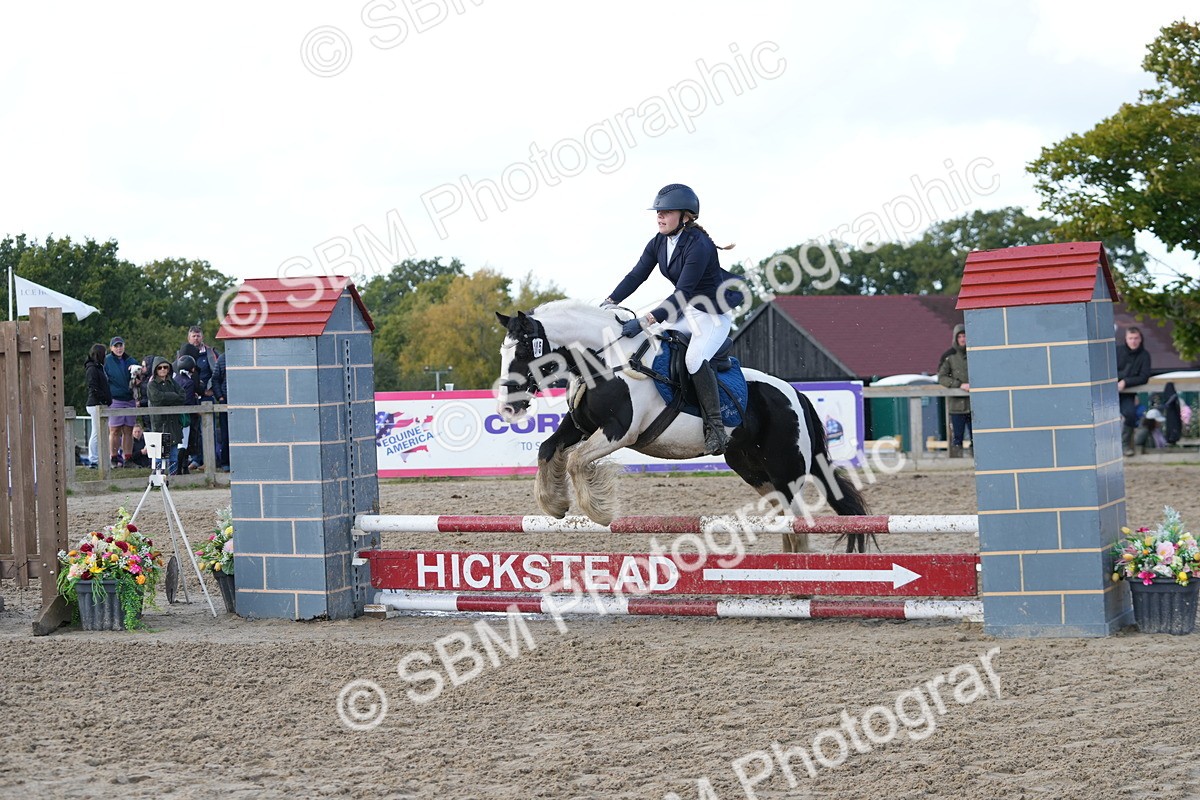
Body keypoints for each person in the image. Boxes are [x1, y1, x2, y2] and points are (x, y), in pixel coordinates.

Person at [602, 183, 744, 455]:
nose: (659, 216)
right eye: (658, 212)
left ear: (686, 216)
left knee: (693, 359)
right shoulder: (659, 242)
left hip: (710, 316)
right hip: (685, 312)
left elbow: (682, 294)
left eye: (666, 212)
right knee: (653, 346)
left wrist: (645, 320)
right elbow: (636, 275)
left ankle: (715, 429)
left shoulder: (699, 245)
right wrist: (609, 301)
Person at [104, 336, 140, 468]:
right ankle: (113, 458)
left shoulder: (131, 361)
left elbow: (139, 378)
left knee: (128, 430)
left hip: (130, 399)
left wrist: (138, 378)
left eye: (121, 345)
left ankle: (128, 459)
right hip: (115, 399)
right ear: (111, 348)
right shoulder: (107, 361)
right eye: (116, 346)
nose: (119, 348)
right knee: (114, 430)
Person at [1116, 326, 1151, 457]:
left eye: (1136, 338)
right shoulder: (1117, 351)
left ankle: (1125, 446)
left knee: (1130, 414)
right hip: (1110, 391)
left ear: (1141, 339)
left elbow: (1144, 377)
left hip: (1128, 393)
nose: (1133, 341)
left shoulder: (1144, 355)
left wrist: (1126, 382)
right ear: (1126, 339)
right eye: (1130, 338)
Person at [146, 357, 185, 475]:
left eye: (165, 367)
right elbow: (156, 398)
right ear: (155, 369)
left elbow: (183, 396)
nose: (163, 370)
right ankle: (158, 477)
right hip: (160, 423)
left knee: (173, 453)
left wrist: (167, 397)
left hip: (173, 423)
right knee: (160, 454)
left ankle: (173, 478)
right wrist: (173, 396)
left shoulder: (173, 383)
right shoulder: (152, 384)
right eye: (160, 367)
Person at [937, 323, 971, 458]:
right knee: (957, 436)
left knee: (977, 436)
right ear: (956, 338)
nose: (963, 339)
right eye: (960, 336)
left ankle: (977, 461)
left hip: (975, 405)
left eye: (965, 335)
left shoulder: (976, 352)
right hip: (956, 405)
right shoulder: (949, 356)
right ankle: (957, 461)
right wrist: (959, 385)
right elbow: (942, 377)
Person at [83, 343, 111, 468]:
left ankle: (99, 458)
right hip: (96, 404)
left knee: (101, 431)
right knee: (96, 432)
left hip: (100, 403)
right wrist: (104, 399)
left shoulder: (98, 367)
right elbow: (93, 387)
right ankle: (93, 459)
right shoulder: (92, 369)